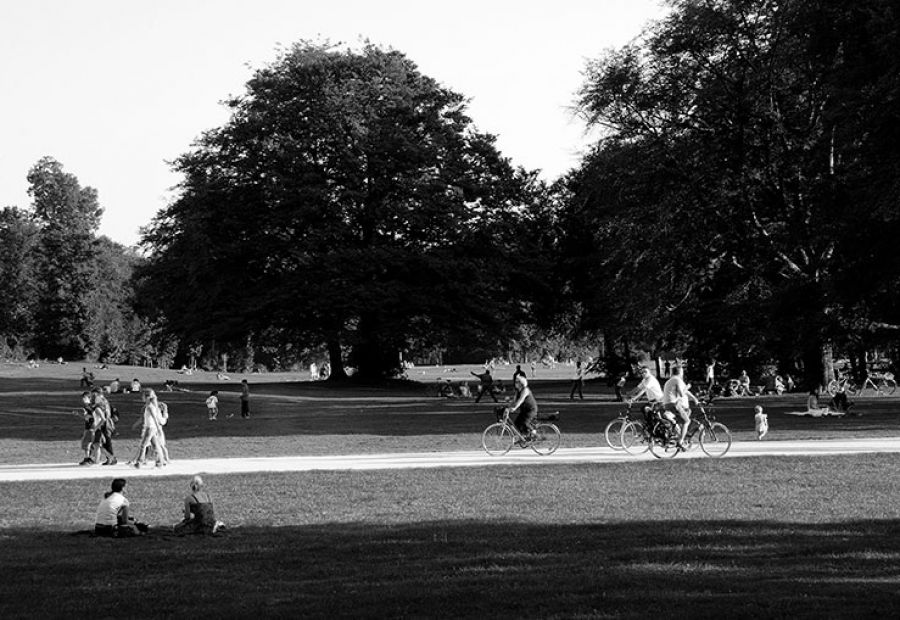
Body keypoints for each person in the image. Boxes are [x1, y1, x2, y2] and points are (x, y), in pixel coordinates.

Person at [662, 365, 698, 449]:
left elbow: (682, 392)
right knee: (687, 421)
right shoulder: (677, 380)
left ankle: (675, 428)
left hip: (667, 404)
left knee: (684, 415)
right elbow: (682, 394)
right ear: (680, 372)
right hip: (673, 404)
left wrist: (694, 398)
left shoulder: (670, 380)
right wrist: (688, 387)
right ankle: (680, 441)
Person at [131, 389, 166, 468]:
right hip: (151, 428)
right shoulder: (149, 406)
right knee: (155, 445)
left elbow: (154, 418)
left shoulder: (150, 406)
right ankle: (160, 461)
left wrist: (158, 428)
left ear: (147, 397)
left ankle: (139, 462)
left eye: (143, 396)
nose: (142, 398)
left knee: (143, 445)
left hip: (150, 428)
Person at [508, 375, 538, 442]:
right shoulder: (517, 391)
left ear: (521, 383)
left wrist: (514, 408)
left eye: (517, 382)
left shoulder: (525, 390)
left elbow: (520, 400)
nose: (515, 383)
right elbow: (514, 401)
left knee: (525, 423)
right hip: (524, 410)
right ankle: (524, 438)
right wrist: (507, 407)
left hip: (530, 410)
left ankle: (534, 434)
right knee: (516, 424)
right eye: (515, 382)